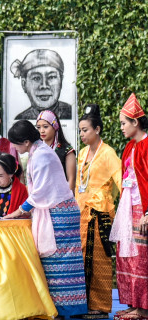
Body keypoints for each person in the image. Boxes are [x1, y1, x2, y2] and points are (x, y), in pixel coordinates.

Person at [5, 120, 87, 319]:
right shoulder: (37, 152)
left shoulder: (41, 155)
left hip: (60, 213)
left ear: (25, 142)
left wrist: (19, 211)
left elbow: (40, 190)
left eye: (15, 144)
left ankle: (67, 310)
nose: (14, 148)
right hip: (57, 211)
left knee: (61, 264)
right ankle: (60, 309)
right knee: (55, 264)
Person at [75, 104, 121, 319]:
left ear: (98, 129)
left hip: (100, 213)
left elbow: (120, 181)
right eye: (81, 131)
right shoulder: (82, 153)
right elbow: (78, 184)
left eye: (86, 130)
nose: (82, 134)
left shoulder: (109, 153)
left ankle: (100, 305)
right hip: (82, 212)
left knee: (100, 258)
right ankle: (83, 303)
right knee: (82, 257)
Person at [110, 93, 148, 320]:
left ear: (136, 122)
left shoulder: (147, 146)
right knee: (128, 258)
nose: (122, 127)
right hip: (128, 208)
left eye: (124, 123)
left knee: (142, 259)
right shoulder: (129, 147)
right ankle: (134, 304)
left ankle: (144, 309)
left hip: (141, 209)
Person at [10, 49, 72, 120]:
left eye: (51, 77)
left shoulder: (71, 113)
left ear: (61, 81)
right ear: (24, 84)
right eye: (36, 78)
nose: (44, 86)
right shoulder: (21, 119)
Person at [36, 110, 76, 193]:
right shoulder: (36, 149)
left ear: (55, 126)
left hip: (61, 198)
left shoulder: (66, 150)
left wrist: (67, 202)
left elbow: (71, 179)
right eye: (39, 127)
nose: (42, 131)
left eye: (45, 126)